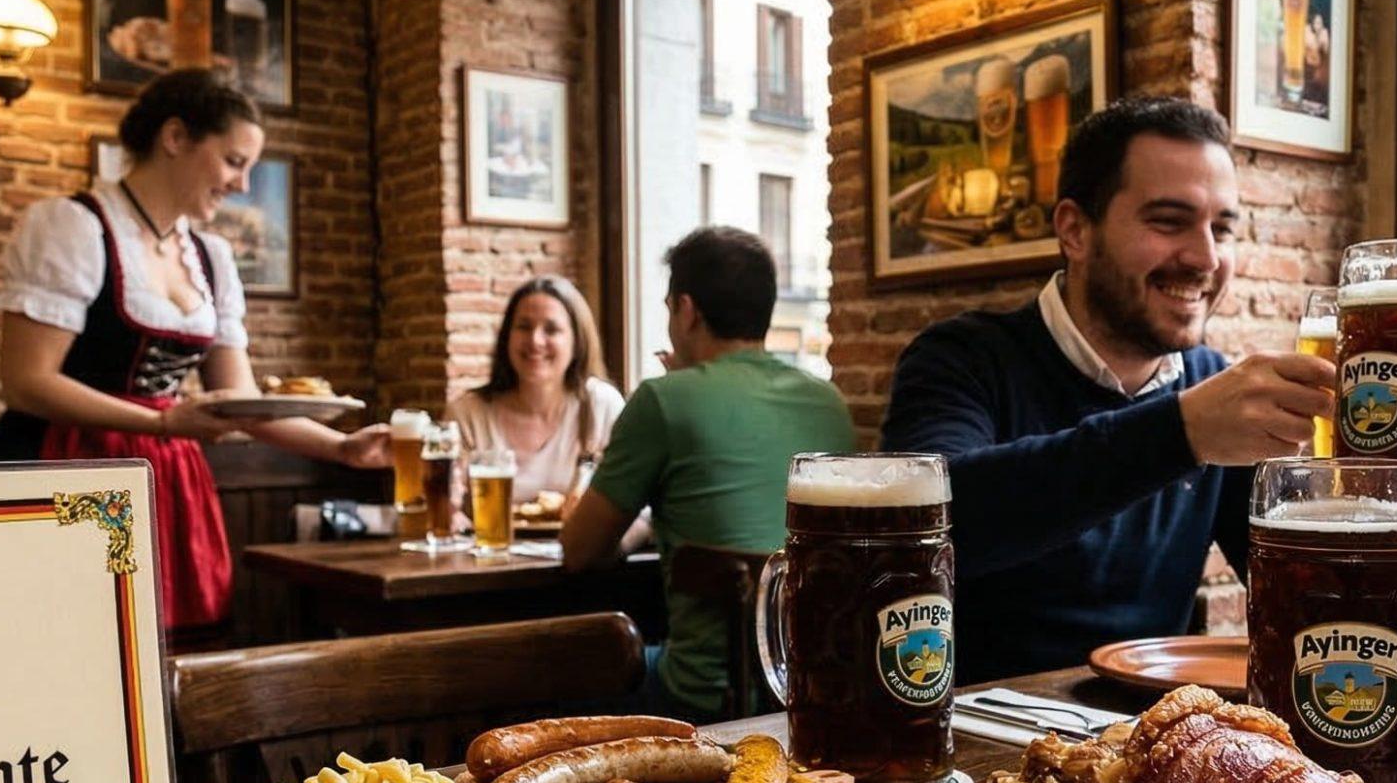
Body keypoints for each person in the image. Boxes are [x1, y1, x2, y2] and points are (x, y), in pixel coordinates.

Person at [877, 94, 1336, 682]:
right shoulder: (962, 359)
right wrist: (1182, 431)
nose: (1205, 256)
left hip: (1153, 739)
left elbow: (1304, 589)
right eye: (1169, 221)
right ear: (1075, 230)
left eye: (1222, 228)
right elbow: (926, 520)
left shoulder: (1209, 385)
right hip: (969, 736)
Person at [0, 69, 384, 632]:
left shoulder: (210, 256)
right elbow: (27, 381)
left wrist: (342, 449)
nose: (242, 185)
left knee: (164, 662)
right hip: (65, 467)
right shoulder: (73, 227)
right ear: (175, 138)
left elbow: (239, 399)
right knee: (70, 640)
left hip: (165, 476)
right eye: (234, 161)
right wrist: (167, 421)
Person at [563, 226, 854, 719]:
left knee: (567, 673)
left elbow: (579, 552)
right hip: (818, 692)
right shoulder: (830, 402)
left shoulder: (663, 399)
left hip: (704, 700)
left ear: (686, 309)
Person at [445, 276, 624, 504]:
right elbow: (448, 505)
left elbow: (633, 503)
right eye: (524, 327)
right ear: (507, 337)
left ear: (577, 342)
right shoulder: (468, 414)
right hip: (490, 540)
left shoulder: (601, 406)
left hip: (580, 540)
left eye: (551, 329)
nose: (535, 341)